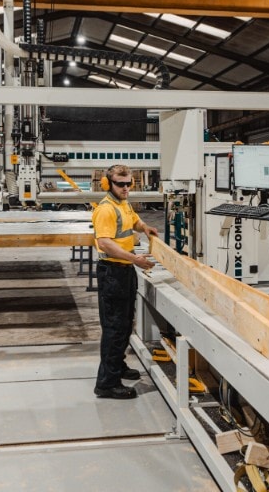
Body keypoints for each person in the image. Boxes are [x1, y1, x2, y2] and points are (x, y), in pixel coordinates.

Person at [91, 164, 158, 399]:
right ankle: (107, 384)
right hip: (113, 272)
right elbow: (106, 243)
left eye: (129, 183)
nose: (126, 188)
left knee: (125, 323)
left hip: (125, 270)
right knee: (114, 328)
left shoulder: (124, 203)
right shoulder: (106, 210)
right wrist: (135, 259)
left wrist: (146, 228)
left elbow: (134, 221)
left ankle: (117, 366)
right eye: (121, 184)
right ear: (109, 184)